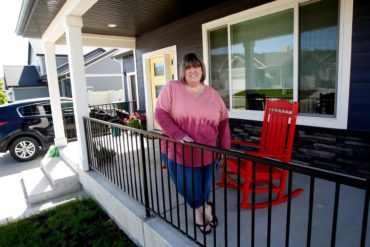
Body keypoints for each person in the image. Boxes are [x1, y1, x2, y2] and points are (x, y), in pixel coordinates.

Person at [154, 53, 231, 234]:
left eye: (196, 66)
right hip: (180, 152)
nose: (192, 70)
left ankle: (199, 214)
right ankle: (205, 210)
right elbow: (160, 113)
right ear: (183, 71)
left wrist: (225, 148)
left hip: (209, 152)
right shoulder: (173, 88)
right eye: (188, 67)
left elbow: (223, 121)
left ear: (202, 70)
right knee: (187, 187)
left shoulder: (212, 93)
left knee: (204, 187)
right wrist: (178, 134)